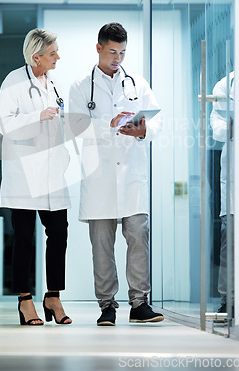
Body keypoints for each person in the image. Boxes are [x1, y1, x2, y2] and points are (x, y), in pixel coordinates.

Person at [69, 22, 164, 326]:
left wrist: (143, 129)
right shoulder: (81, 86)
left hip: (132, 178)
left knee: (138, 239)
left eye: (122, 52)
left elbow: (157, 121)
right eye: (112, 52)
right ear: (99, 48)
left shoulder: (138, 83)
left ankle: (139, 304)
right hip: (98, 180)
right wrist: (107, 124)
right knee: (102, 247)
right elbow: (74, 126)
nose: (118, 59)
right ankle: (107, 306)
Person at [0, 28, 72, 326]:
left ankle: (53, 295)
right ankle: (25, 300)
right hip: (24, 174)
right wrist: (35, 117)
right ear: (35, 56)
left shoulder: (54, 83)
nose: (58, 57)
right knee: (24, 238)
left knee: (59, 234)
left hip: (53, 173)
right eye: (53, 53)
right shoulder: (14, 80)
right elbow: (3, 123)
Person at [210, 71, 234, 317]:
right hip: (237, 178)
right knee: (231, 243)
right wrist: (230, 127)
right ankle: (229, 299)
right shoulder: (226, 84)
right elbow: (216, 125)